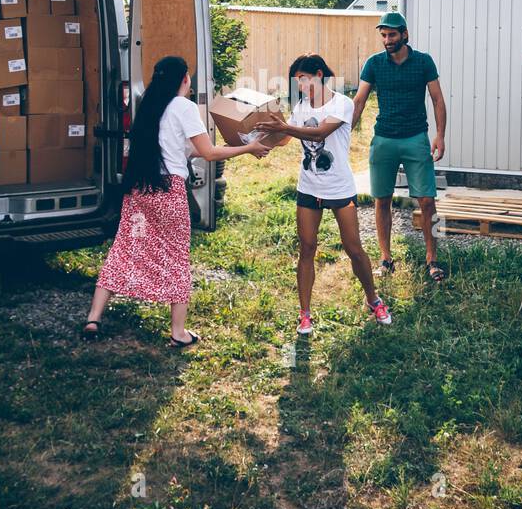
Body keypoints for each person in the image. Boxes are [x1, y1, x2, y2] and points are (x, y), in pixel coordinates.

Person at [83, 56, 270, 346]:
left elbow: (181, 150)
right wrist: (249, 148)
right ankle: (178, 332)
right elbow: (208, 153)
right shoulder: (185, 106)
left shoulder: (149, 105)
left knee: (124, 248)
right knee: (176, 255)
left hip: (139, 192)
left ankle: (93, 318)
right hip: (167, 192)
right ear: (184, 78)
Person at [263, 54, 391, 335]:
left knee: (353, 248)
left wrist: (285, 127)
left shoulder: (341, 104)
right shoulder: (300, 106)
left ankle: (374, 299)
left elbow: (319, 134)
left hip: (338, 188)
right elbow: (285, 138)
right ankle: (305, 314)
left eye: (303, 79)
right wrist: (258, 137)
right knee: (306, 248)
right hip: (308, 188)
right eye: (297, 81)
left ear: (318, 74)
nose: (300, 85)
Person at [352, 11, 449, 284]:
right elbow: (359, 101)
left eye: (392, 35)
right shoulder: (373, 64)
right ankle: (385, 258)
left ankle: (432, 258)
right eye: (383, 35)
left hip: (416, 138)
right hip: (384, 139)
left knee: (428, 200)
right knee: (381, 199)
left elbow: (437, 100)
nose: (387, 40)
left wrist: (440, 136)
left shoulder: (423, 62)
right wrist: (343, 133)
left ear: (404, 34)